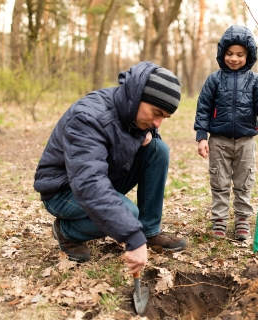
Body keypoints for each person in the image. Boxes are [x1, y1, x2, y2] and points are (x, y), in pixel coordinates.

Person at [34, 61, 187, 274]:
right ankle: (67, 231)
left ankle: (149, 231)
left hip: (104, 176)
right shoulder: (88, 118)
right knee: (128, 214)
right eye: (156, 112)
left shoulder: (133, 113)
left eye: (164, 117)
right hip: (63, 189)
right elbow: (90, 184)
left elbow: (141, 135)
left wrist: (149, 134)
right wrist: (131, 235)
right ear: (138, 97)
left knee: (157, 149)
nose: (158, 122)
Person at [194, 25, 258, 241]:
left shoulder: (255, 81)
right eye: (229, 53)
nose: (234, 58)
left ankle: (242, 220)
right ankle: (219, 221)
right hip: (219, 141)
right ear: (222, 54)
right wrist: (202, 136)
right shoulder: (214, 80)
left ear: (248, 55)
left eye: (240, 54)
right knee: (219, 182)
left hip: (246, 141)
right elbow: (203, 107)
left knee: (244, 182)